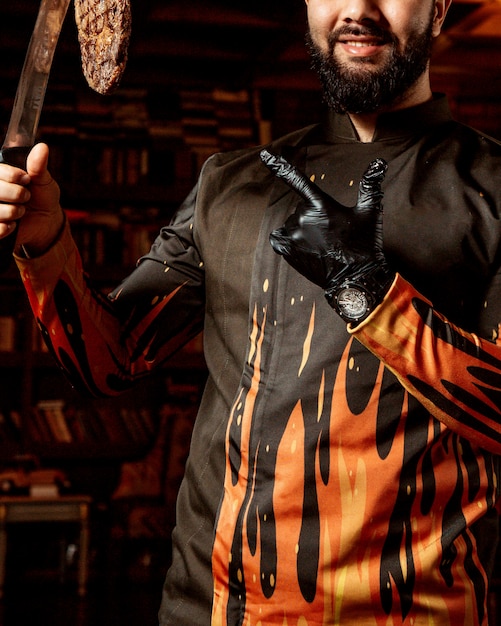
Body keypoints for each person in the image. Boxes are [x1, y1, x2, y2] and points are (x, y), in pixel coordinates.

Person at [0, 0, 500, 623]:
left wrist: (368, 293)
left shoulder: (494, 186)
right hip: (211, 610)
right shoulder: (231, 183)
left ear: (441, 8)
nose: (359, 10)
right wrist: (45, 244)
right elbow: (110, 365)